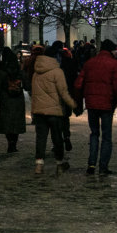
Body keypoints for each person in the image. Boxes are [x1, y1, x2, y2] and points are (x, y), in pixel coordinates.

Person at [74, 39, 117, 175]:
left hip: (91, 104)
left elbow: (78, 84)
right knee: (107, 136)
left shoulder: (89, 63)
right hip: (107, 104)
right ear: (111, 51)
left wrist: (78, 102)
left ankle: (91, 163)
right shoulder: (115, 64)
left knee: (94, 133)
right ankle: (103, 166)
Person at [30, 45, 77, 175]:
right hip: (54, 111)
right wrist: (72, 104)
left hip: (39, 110)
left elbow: (33, 93)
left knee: (41, 138)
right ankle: (59, 163)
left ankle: (39, 165)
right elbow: (63, 92)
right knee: (57, 138)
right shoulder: (57, 72)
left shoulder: (36, 72)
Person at [0, 47, 27, 153]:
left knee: (7, 122)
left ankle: (10, 142)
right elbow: (27, 85)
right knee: (17, 122)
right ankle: (14, 143)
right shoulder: (19, 71)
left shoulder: (3, 72)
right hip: (18, 99)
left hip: (5, 98)